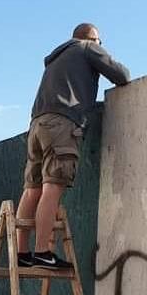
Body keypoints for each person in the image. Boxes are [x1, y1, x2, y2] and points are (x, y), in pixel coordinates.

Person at [16, 23, 130, 269]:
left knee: (31, 189)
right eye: (100, 40)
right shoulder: (87, 47)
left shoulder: (58, 57)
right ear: (92, 38)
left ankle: (22, 253)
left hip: (37, 124)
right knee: (52, 187)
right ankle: (43, 251)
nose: (101, 45)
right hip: (61, 124)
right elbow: (121, 75)